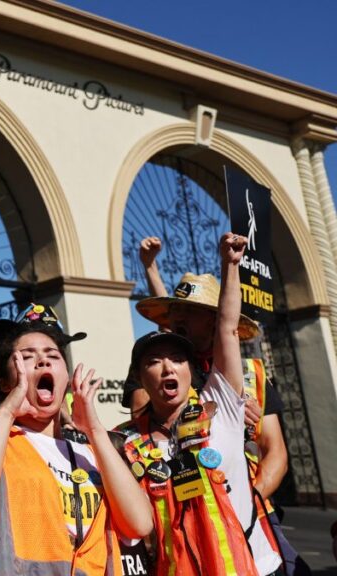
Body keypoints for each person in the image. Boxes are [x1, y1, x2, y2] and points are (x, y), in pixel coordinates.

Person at [0, 304, 152, 575]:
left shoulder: (91, 450)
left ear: (66, 378)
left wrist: (94, 430)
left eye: (52, 356)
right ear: (4, 382)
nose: (43, 361)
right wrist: (7, 413)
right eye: (26, 357)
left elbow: (140, 524)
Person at [116, 233, 283, 575]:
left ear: (213, 316)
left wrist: (241, 499)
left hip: (249, 535)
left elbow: (276, 453)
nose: (167, 367)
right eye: (156, 362)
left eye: (189, 313)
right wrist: (150, 268)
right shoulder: (164, 386)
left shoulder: (234, 380)